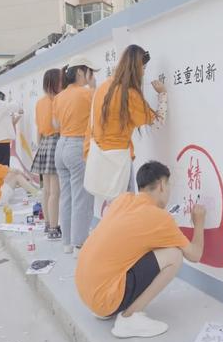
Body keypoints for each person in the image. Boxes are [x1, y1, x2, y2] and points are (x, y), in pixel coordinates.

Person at [75, 161, 206, 338]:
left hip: (86, 293)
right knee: (174, 255)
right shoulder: (160, 218)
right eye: (169, 186)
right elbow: (195, 254)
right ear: (161, 185)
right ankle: (129, 319)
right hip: (104, 298)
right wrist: (199, 222)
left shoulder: (123, 200)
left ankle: (109, 307)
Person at [87, 45, 167, 198]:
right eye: (143, 67)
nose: (144, 72)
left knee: (113, 210)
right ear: (136, 68)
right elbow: (157, 123)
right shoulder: (129, 94)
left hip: (99, 156)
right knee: (124, 208)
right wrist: (162, 94)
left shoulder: (103, 87)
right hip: (118, 160)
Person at [53, 57, 97, 253]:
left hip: (61, 145)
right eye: (90, 72)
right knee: (82, 196)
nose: (92, 76)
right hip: (77, 145)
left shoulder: (59, 96)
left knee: (67, 196)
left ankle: (67, 243)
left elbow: (55, 124)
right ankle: (79, 243)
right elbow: (100, 114)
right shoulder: (87, 94)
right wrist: (94, 89)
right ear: (81, 72)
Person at [32, 68, 65, 240]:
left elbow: (38, 128)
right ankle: (54, 227)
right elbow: (58, 125)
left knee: (46, 190)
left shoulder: (40, 102)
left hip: (44, 143)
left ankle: (47, 224)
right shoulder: (57, 100)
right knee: (55, 191)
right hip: (55, 141)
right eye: (61, 80)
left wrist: (40, 148)